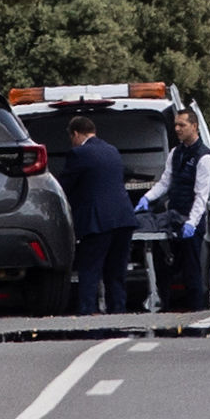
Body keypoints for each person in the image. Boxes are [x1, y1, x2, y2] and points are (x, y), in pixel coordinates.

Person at [57, 116, 139, 315]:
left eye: (71, 137)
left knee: (90, 270)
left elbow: (64, 187)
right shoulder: (112, 150)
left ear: (75, 133)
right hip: (123, 219)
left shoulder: (78, 154)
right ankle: (118, 312)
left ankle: (88, 313)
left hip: (98, 222)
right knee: (116, 272)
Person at [134, 108, 210, 311]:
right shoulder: (176, 153)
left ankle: (196, 313)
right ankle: (166, 309)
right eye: (176, 125)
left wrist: (192, 222)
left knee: (191, 270)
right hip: (174, 217)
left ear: (194, 127)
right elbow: (165, 182)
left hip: (191, 221)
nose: (177, 129)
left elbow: (201, 195)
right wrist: (147, 197)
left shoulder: (203, 157)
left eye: (182, 125)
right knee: (165, 265)